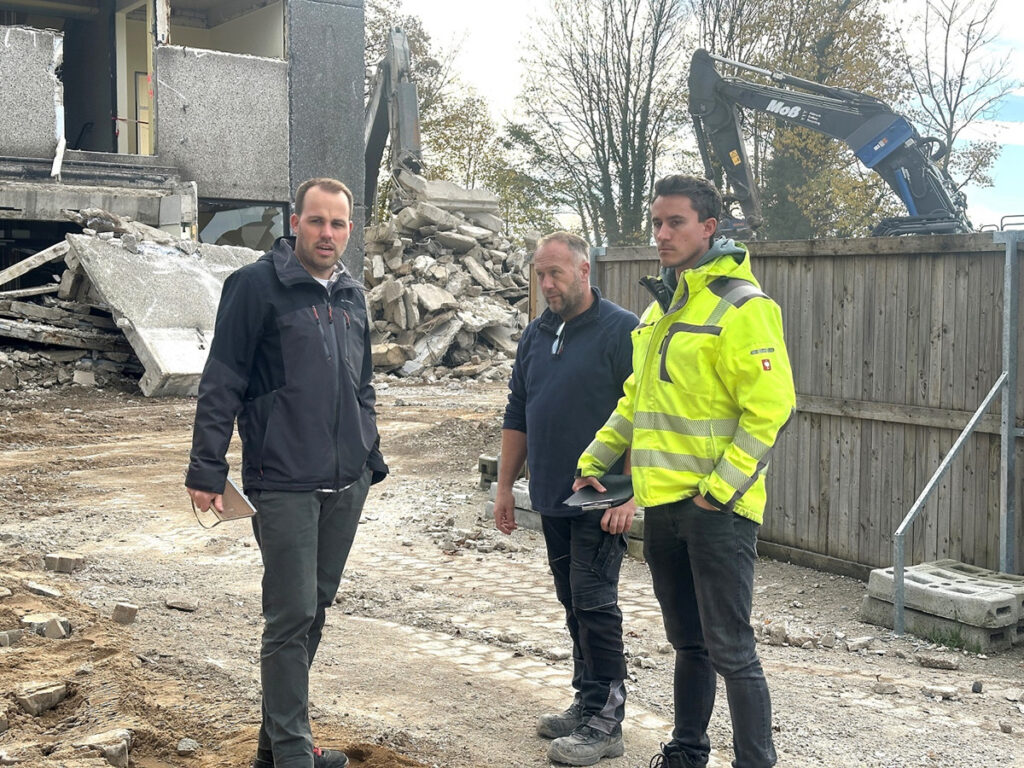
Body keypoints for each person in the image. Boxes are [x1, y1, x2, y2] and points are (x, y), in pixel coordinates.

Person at [573, 175, 795, 768]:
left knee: (732, 649)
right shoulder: (661, 309)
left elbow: (770, 409)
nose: (661, 234)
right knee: (688, 644)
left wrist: (717, 494)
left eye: (674, 222)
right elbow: (635, 402)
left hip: (716, 512)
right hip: (665, 508)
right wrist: (595, 458)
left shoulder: (744, 306)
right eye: (656, 223)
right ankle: (686, 753)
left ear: (709, 228)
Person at [185, 177, 387, 768]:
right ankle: (295, 755)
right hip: (283, 483)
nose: (328, 234)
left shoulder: (351, 294)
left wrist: (367, 452)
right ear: (294, 220)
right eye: (317, 221)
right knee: (290, 615)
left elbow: (363, 383)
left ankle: (274, 753)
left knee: (313, 611)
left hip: (345, 485)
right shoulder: (255, 287)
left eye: (339, 224)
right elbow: (223, 379)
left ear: (350, 229)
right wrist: (206, 464)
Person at [494, 231, 638, 766]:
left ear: (584, 271)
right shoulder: (536, 334)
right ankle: (586, 700)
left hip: (601, 502)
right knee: (572, 601)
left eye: (556, 273)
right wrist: (508, 486)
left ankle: (608, 721)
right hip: (552, 496)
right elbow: (517, 412)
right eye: (540, 274)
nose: (547, 284)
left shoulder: (622, 331)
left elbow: (642, 417)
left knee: (596, 604)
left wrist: (629, 496)